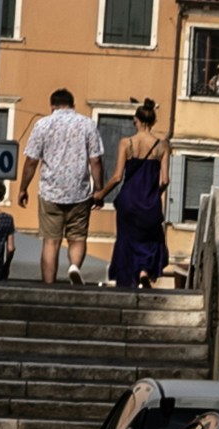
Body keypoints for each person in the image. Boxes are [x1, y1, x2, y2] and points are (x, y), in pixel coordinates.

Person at [21, 84, 102, 284]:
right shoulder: (87, 124)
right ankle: (74, 266)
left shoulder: (42, 125)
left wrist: (23, 188)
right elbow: (96, 161)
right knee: (77, 237)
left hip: (50, 192)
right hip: (80, 192)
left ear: (52, 106)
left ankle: (49, 285)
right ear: (72, 105)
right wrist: (99, 189)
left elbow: (31, 161)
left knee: (51, 241)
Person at [108, 104, 169, 290]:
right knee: (152, 238)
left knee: (126, 241)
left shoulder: (127, 143)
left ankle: (128, 282)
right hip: (149, 201)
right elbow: (165, 180)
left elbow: (118, 176)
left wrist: (101, 193)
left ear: (138, 121)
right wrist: (154, 194)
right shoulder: (162, 146)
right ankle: (144, 271)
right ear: (153, 121)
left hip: (128, 201)